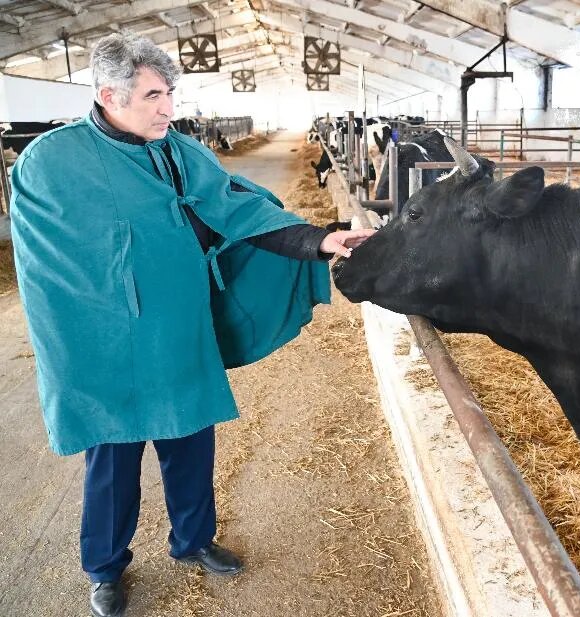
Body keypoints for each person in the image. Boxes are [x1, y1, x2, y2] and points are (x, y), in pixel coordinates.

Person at [9, 32, 374, 617]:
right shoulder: (50, 163)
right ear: (109, 94)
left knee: (190, 441)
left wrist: (316, 239)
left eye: (170, 93)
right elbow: (43, 266)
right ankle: (104, 569)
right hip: (105, 343)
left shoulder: (178, 152)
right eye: (153, 95)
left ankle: (194, 540)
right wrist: (70, 343)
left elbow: (236, 206)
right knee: (112, 463)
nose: (167, 109)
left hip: (177, 329)